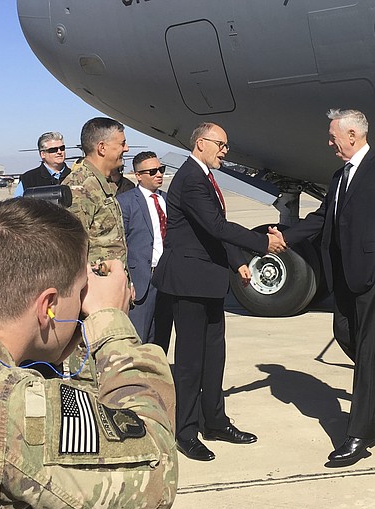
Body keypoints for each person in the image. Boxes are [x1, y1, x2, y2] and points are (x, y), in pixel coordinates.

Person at [0, 198, 177, 509]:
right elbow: (156, 475)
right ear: (49, 306)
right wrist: (109, 319)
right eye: (81, 292)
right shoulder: (11, 407)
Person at [274, 109, 375, 465]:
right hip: (344, 274)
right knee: (344, 333)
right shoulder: (340, 176)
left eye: (333, 136)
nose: (329, 143)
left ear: (352, 134)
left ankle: (359, 435)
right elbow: (324, 219)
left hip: (372, 274)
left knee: (366, 354)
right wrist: (284, 237)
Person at [152, 122, 286, 462]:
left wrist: (237, 261)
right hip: (188, 280)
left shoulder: (205, 178)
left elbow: (213, 232)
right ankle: (186, 431)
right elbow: (216, 226)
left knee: (214, 356)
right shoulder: (191, 179)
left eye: (226, 145)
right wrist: (262, 242)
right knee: (189, 361)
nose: (225, 150)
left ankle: (214, 421)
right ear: (200, 143)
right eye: (220, 144)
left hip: (209, 279)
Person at [117, 151, 172, 348]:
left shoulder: (168, 200)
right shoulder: (125, 203)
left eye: (161, 169)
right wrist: (127, 281)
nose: (159, 174)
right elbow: (119, 245)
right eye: (152, 171)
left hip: (167, 279)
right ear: (138, 175)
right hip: (141, 281)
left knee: (161, 339)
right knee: (139, 339)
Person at [62, 117, 129, 266]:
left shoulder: (101, 182)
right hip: (96, 286)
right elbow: (72, 251)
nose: (126, 149)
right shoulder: (80, 187)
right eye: (122, 144)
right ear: (102, 148)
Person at [14, 131, 72, 197]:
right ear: (43, 154)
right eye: (53, 150)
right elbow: (16, 205)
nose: (59, 152)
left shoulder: (74, 175)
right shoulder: (28, 179)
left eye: (62, 148)